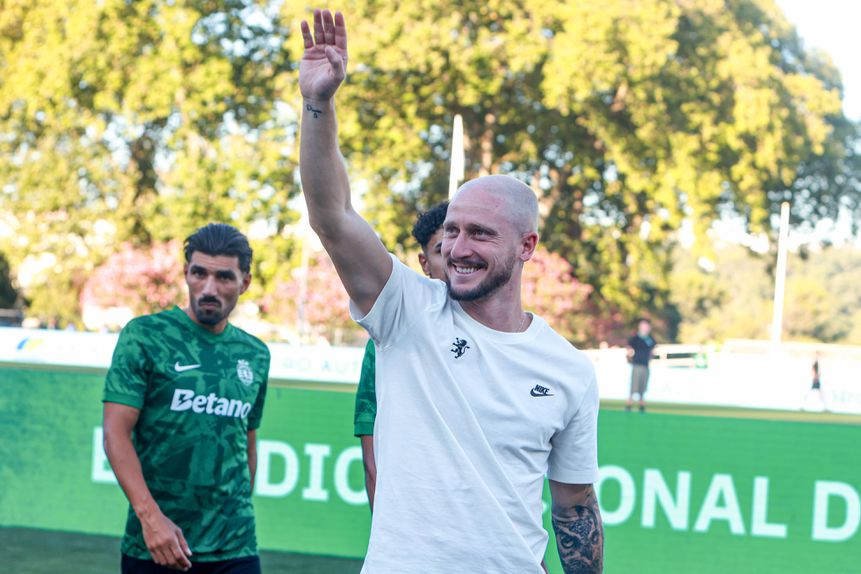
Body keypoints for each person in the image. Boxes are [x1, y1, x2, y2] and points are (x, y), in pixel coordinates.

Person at [299, 10, 603, 574]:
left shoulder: (570, 370)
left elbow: (574, 507)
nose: (458, 248)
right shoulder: (408, 312)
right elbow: (332, 216)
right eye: (454, 230)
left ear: (527, 246)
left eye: (481, 233)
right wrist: (319, 105)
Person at [102, 223, 269, 574]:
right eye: (199, 273)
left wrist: (233, 513)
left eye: (224, 277)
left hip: (235, 547)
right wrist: (151, 520)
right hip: (156, 545)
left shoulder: (255, 354)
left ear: (245, 283)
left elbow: (246, 441)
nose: (209, 288)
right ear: (186, 274)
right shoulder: (145, 336)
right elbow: (115, 434)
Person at [354, 201, 449, 510]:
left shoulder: (508, 340)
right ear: (424, 262)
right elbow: (373, 461)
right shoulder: (390, 335)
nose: (455, 256)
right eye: (440, 249)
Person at [626, 318, 656, 413]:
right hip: (637, 364)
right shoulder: (635, 338)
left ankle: (641, 404)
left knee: (643, 386)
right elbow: (629, 348)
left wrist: (650, 358)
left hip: (645, 365)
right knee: (634, 385)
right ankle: (629, 404)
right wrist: (629, 357)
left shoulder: (650, 339)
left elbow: (652, 351)